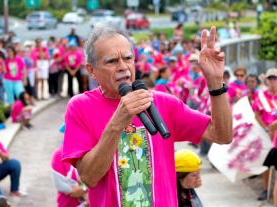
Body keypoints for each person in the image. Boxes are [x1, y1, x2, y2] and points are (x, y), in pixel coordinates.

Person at [62, 26, 232, 207]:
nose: (123, 66)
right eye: (112, 61)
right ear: (91, 70)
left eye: (128, 58)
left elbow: (221, 135)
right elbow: (89, 178)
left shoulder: (164, 103)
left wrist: (215, 82)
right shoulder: (80, 107)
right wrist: (117, 123)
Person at [253, 68, 277, 201]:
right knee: (266, 163)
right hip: (265, 132)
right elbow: (256, 114)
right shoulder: (261, 95)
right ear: (267, 80)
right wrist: (267, 129)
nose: (273, 81)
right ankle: (266, 189)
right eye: (270, 78)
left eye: (275, 78)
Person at [51, 124, 89, 207]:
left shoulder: (89, 152)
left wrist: (85, 189)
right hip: (67, 203)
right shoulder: (58, 155)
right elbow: (59, 183)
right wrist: (83, 191)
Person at [0, 124, 24, 207]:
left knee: (14, 163)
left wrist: (1, 155)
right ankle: (1, 199)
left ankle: (14, 190)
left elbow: (6, 158)